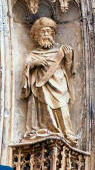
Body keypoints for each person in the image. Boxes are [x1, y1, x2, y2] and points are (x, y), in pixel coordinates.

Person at [21, 17, 78, 146]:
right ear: (36, 35)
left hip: (59, 85)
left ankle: (66, 133)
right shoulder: (34, 54)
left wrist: (68, 59)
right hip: (40, 88)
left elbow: (69, 73)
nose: (46, 34)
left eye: (49, 31)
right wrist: (34, 64)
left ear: (53, 34)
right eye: (43, 32)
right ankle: (44, 130)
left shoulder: (61, 50)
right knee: (43, 107)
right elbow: (26, 67)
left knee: (62, 107)